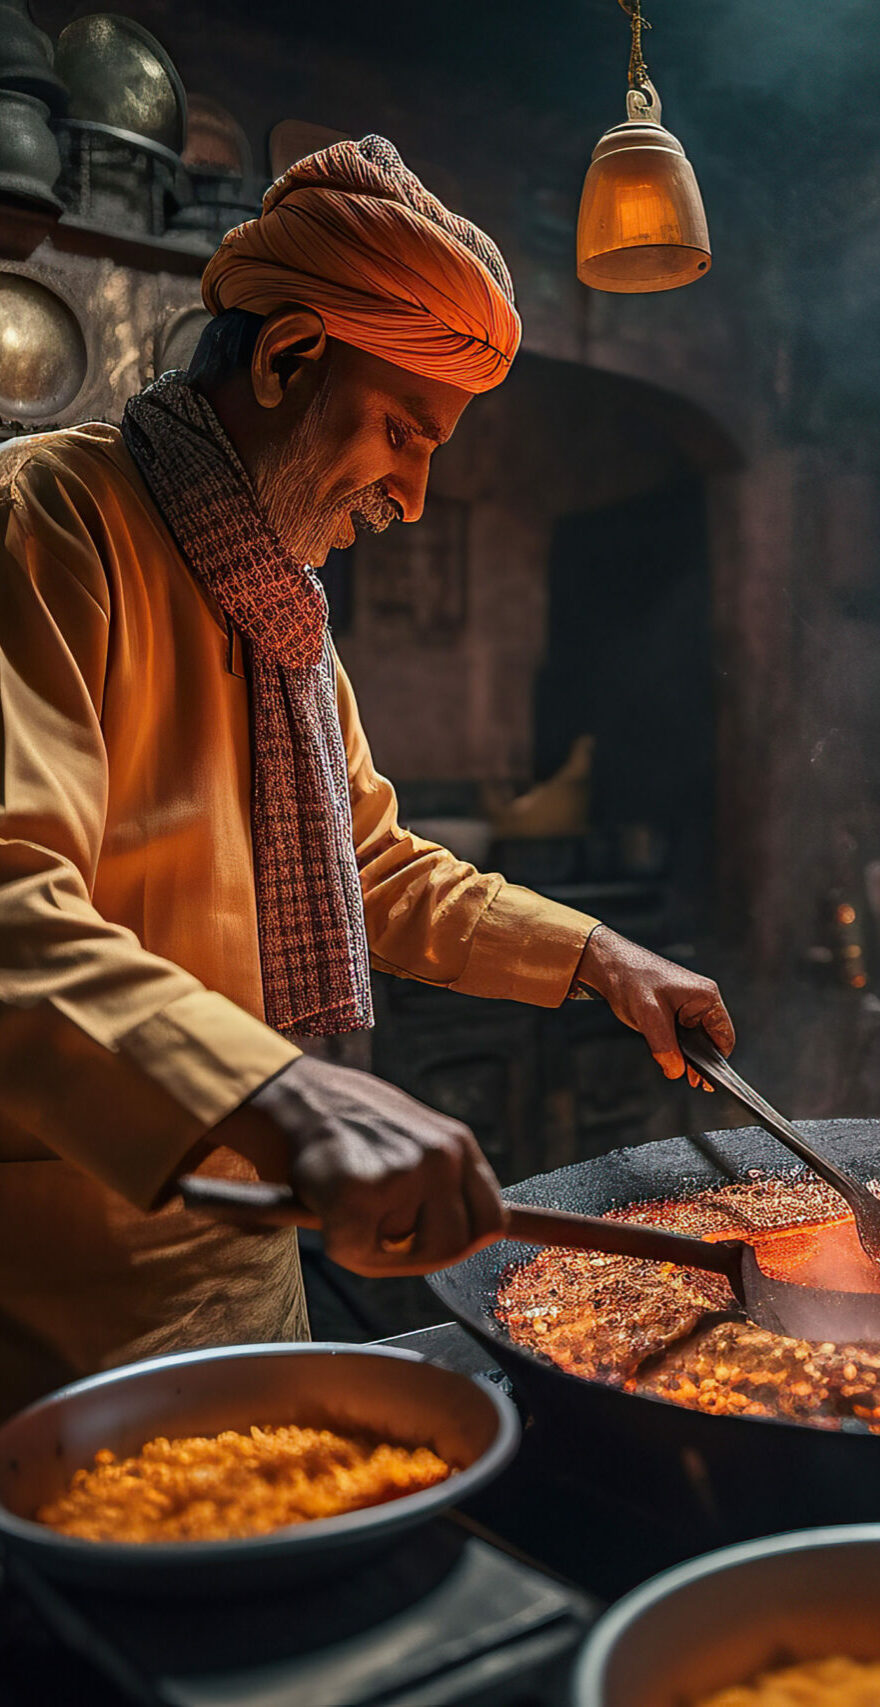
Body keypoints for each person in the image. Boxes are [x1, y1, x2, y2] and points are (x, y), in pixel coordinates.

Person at [0, 135, 734, 1418]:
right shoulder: (52, 523)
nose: (413, 492)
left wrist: (599, 954)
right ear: (289, 359)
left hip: (246, 1284)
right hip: (54, 1308)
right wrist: (278, 1088)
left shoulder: (282, 619)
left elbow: (373, 866)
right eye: (404, 430)